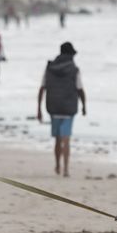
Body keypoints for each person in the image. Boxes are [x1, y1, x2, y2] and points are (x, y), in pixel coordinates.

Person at [37, 41, 86, 177]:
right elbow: (80, 89)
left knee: (58, 139)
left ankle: (58, 164)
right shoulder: (74, 69)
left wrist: (39, 109)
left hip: (53, 107)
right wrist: (84, 106)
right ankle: (66, 169)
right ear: (70, 55)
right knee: (66, 139)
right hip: (68, 108)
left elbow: (42, 88)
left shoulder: (50, 67)